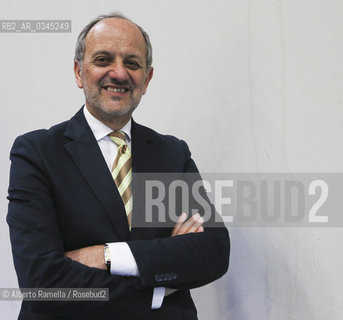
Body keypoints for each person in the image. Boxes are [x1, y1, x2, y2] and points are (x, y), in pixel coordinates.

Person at [7, 12, 230, 320]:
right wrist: (159, 286)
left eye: (132, 63)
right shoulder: (37, 152)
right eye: (103, 60)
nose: (119, 73)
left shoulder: (171, 154)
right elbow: (42, 283)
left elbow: (214, 251)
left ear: (147, 79)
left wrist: (108, 256)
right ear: (79, 72)